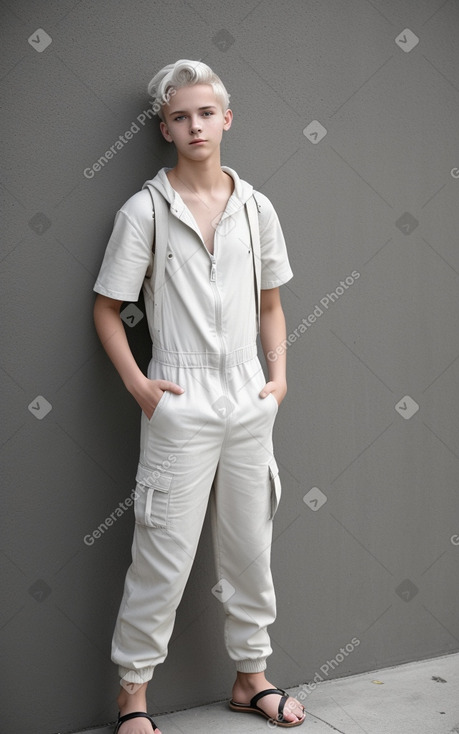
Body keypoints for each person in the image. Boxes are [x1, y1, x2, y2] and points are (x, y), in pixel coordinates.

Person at [93, 59, 305, 734]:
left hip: (248, 398)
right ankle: (133, 698)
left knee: (250, 547)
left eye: (205, 113)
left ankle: (251, 678)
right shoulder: (142, 212)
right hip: (179, 400)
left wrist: (277, 379)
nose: (194, 125)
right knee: (161, 554)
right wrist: (141, 387)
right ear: (164, 128)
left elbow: (271, 305)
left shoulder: (256, 206)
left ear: (226, 119)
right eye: (180, 116)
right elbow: (106, 308)